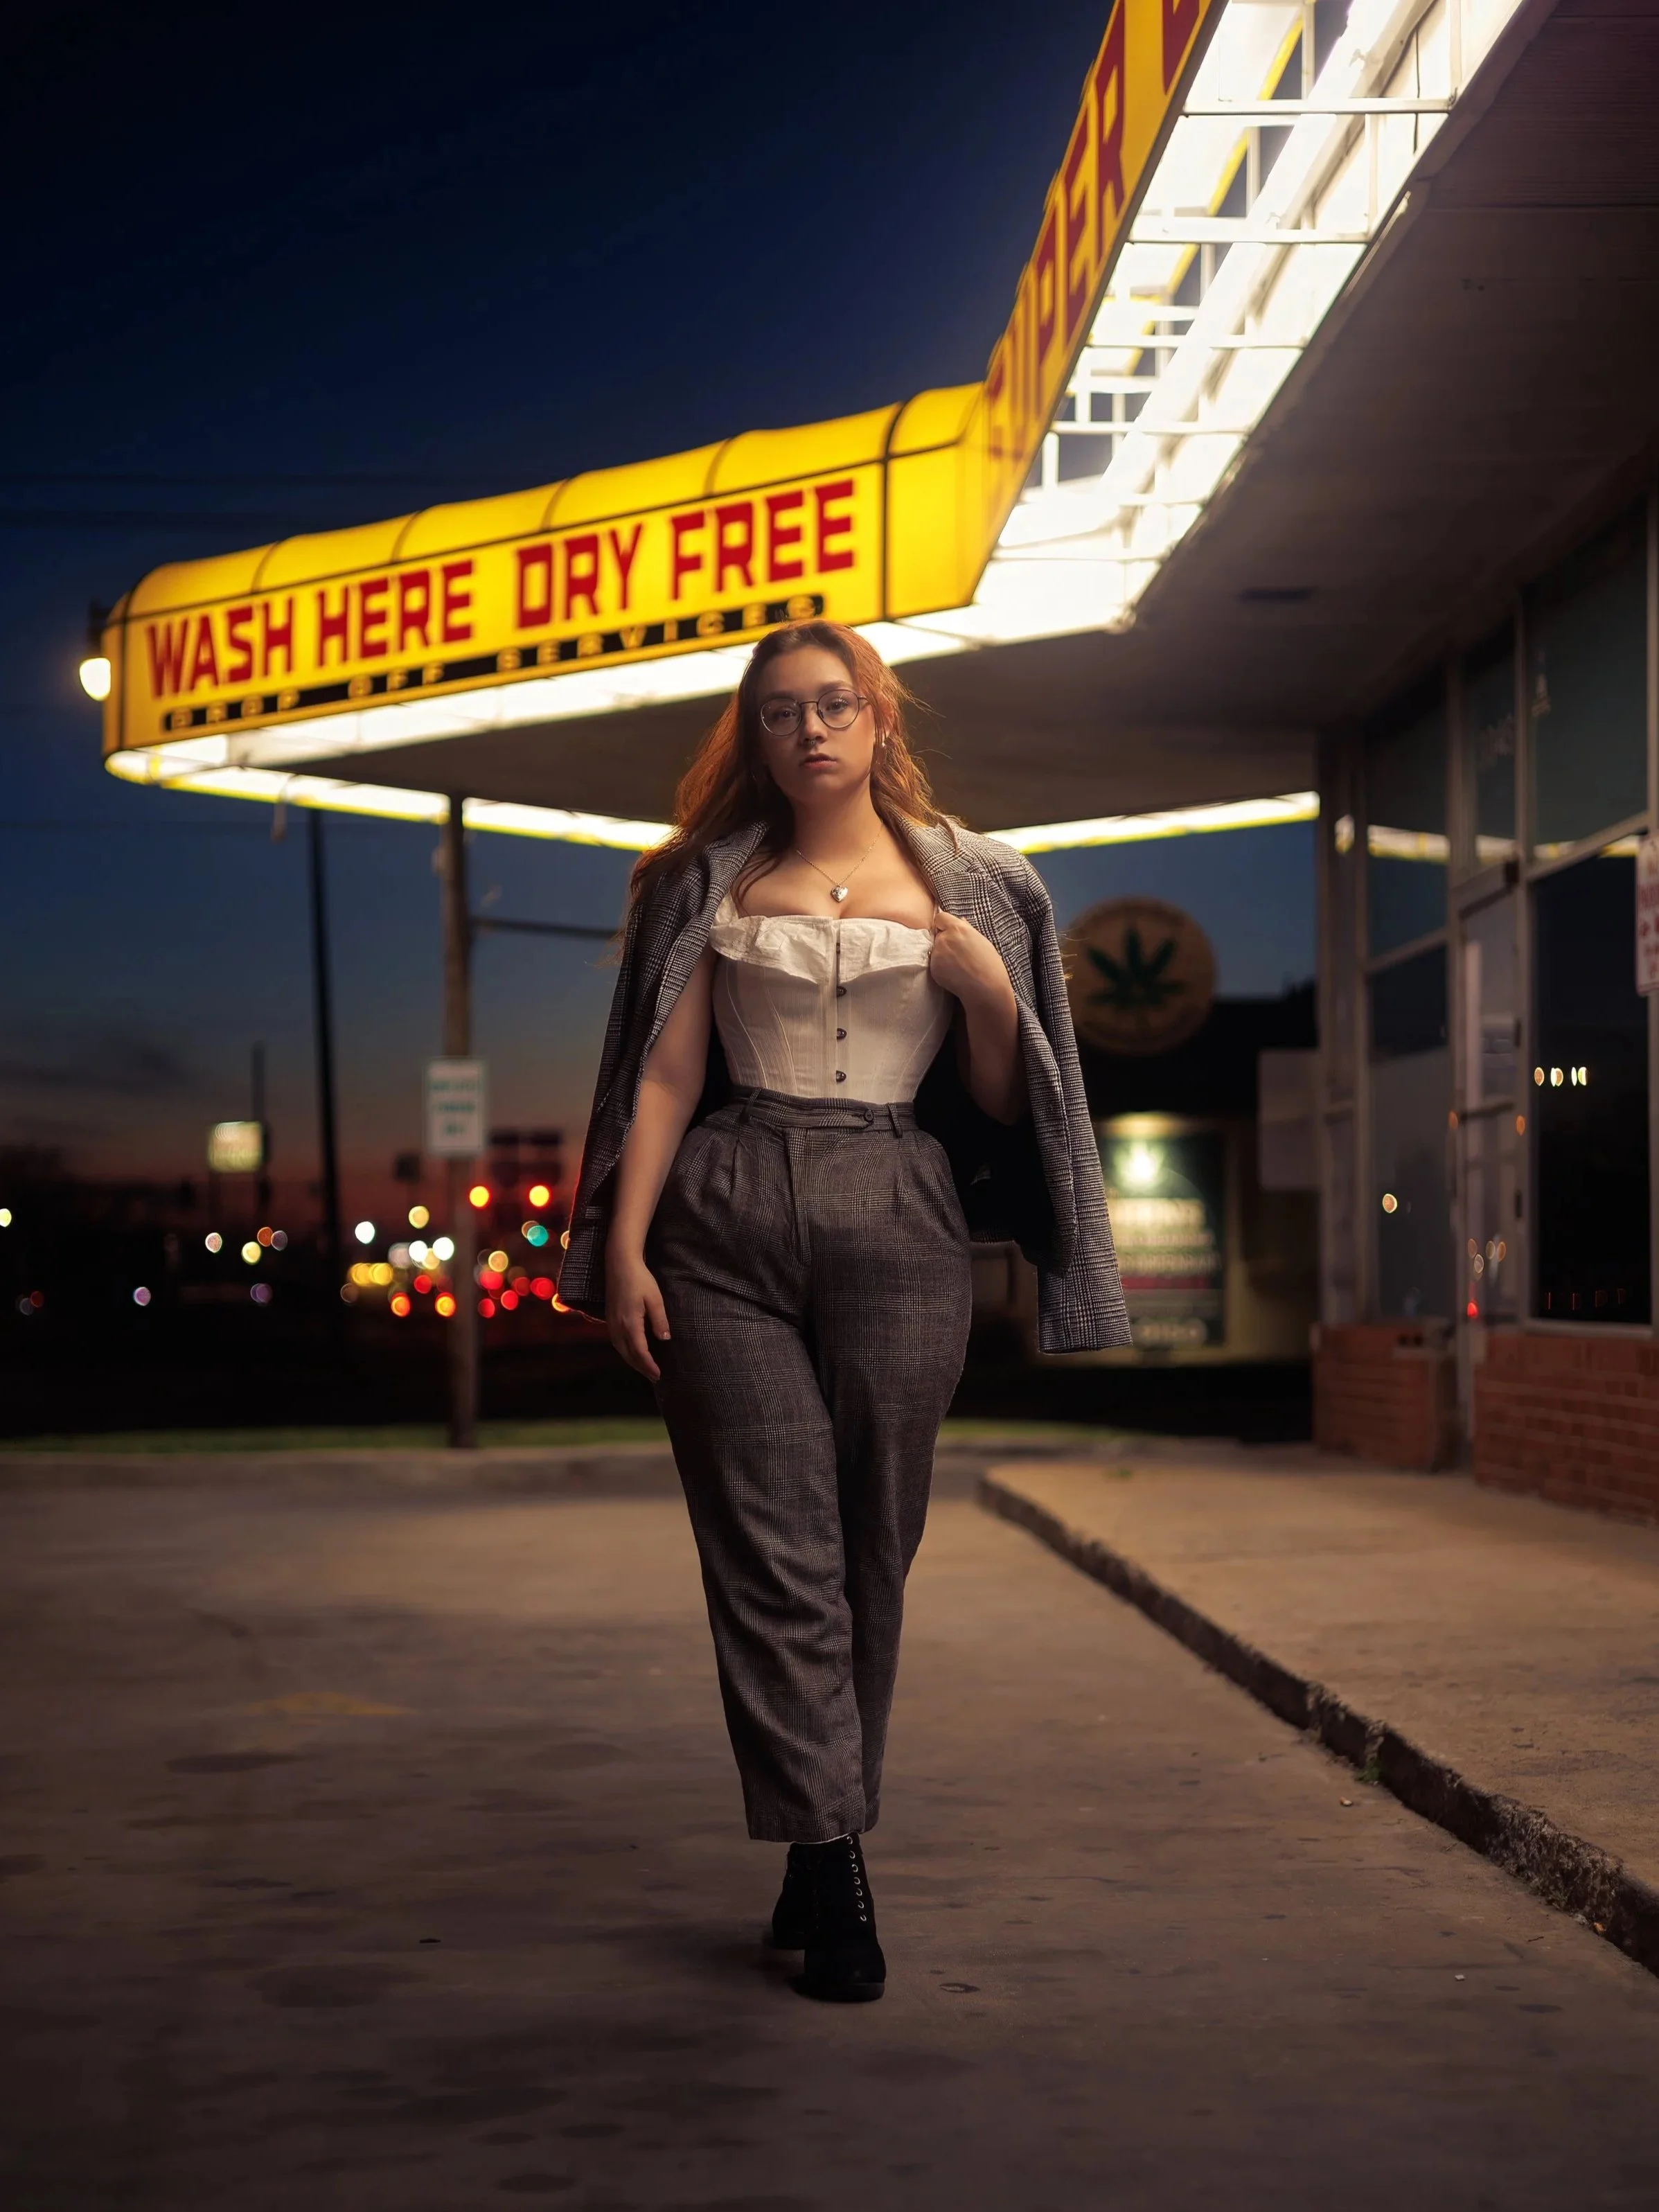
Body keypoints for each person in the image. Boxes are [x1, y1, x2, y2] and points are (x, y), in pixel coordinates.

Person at [557, 620, 1128, 2002]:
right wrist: (623, 1250)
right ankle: (840, 1863)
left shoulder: (986, 883)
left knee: (873, 1536)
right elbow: (665, 1075)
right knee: (773, 1544)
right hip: (724, 1209)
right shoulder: (706, 879)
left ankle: (818, 1837)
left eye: (831, 705)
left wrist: (990, 996)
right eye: (776, 713)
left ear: (880, 720)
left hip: (902, 1211)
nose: (806, 731)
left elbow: (1003, 1101)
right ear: (751, 735)